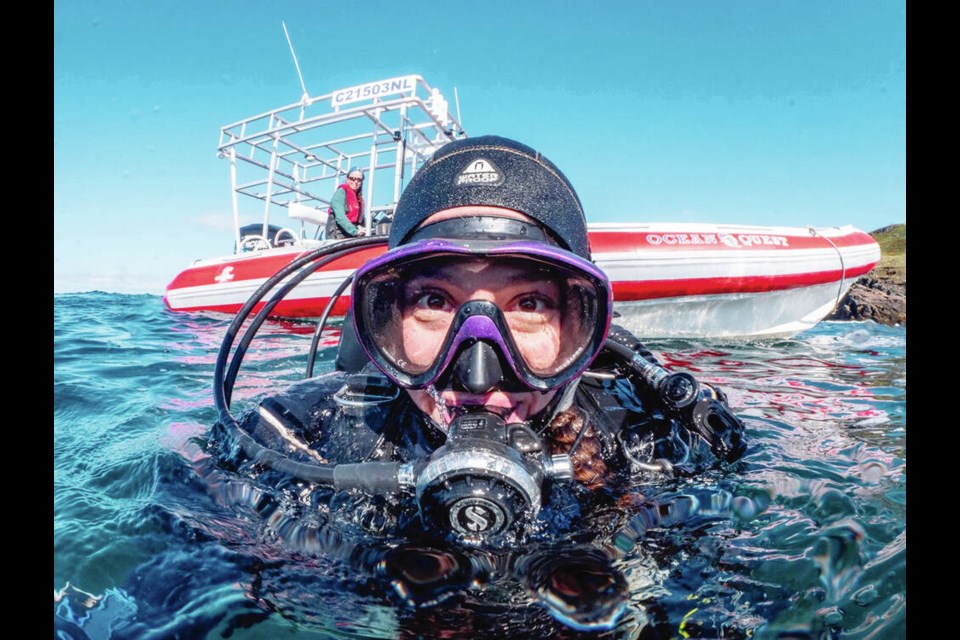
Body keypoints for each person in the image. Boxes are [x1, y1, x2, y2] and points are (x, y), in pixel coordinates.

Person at [211, 135, 747, 630]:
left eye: (530, 304)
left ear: (582, 327)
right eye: (433, 302)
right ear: (386, 320)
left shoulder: (653, 441)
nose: (478, 374)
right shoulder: (294, 438)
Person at [325, 166, 367, 239]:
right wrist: (355, 231)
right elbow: (340, 217)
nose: (355, 181)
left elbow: (362, 219)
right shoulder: (340, 193)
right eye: (352, 178)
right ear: (347, 179)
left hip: (352, 235)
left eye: (359, 179)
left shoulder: (359, 198)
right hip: (338, 235)